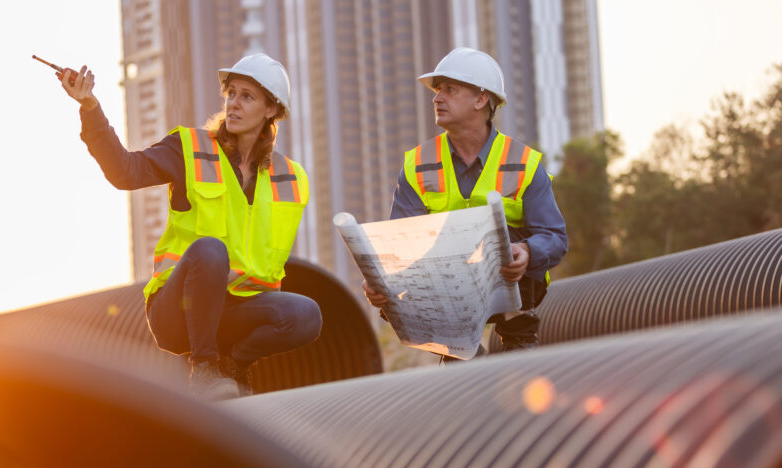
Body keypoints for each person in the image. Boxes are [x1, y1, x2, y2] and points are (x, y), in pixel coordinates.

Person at [58, 54, 322, 399]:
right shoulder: (190, 149)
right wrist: (90, 106)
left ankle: (234, 366)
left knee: (307, 315)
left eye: (247, 96)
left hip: (236, 311)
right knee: (211, 251)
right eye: (231, 93)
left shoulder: (291, 178)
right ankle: (204, 369)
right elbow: (124, 171)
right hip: (178, 311)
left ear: (271, 110)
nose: (234, 104)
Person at [363, 47, 567, 359]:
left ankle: (517, 342)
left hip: (511, 287)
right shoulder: (417, 165)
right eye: (437, 90)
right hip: (444, 291)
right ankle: (460, 354)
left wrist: (526, 252)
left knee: (505, 241)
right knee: (400, 283)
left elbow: (554, 238)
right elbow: (401, 247)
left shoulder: (523, 163)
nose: (437, 98)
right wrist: (380, 281)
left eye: (450, 89)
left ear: (481, 99)